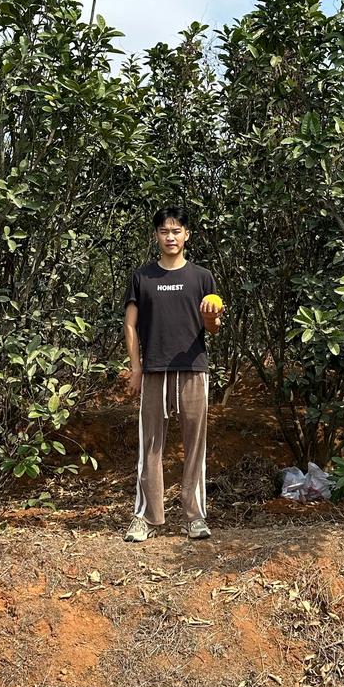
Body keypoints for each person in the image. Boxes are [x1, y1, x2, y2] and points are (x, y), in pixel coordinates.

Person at [122, 205, 224, 542]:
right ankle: (147, 517)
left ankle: (194, 516)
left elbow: (214, 328)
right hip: (154, 370)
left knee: (195, 444)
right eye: (165, 231)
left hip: (193, 369)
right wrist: (136, 368)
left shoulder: (202, 277)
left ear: (187, 234)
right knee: (150, 444)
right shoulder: (143, 277)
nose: (171, 236)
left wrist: (212, 315)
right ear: (156, 236)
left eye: (177, 230)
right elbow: (130, 324)